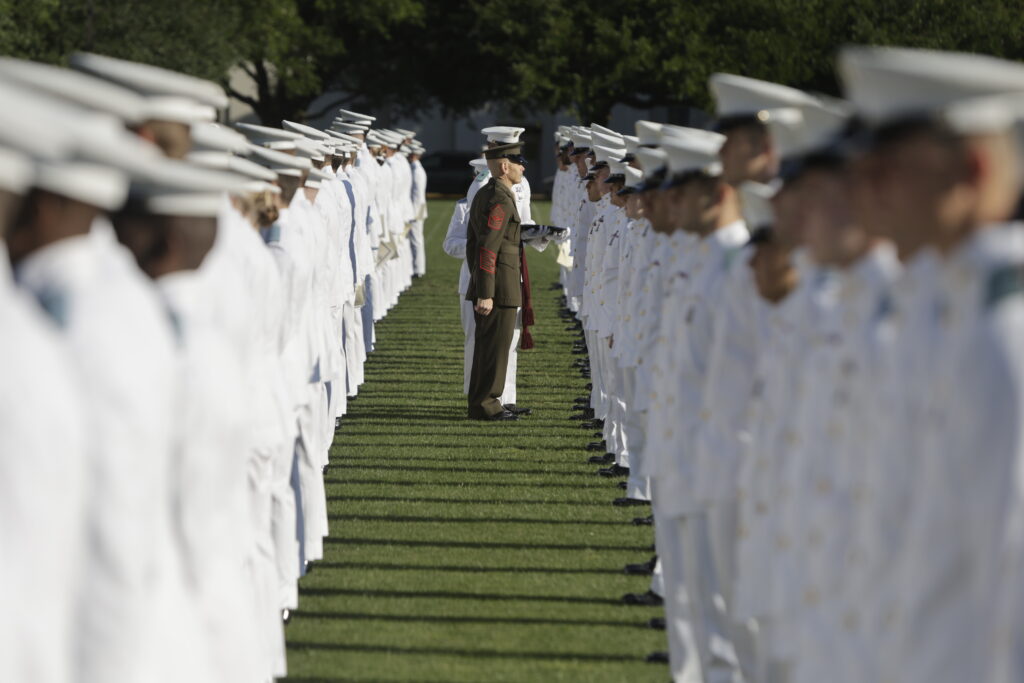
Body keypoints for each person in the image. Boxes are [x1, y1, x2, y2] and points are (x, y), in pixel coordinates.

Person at [465, 141, 527, 421]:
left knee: (491, 347)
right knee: (494, 349)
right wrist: (486, 292)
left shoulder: (494, 193)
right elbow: (488, 247)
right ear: (504, 167)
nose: (523, 167)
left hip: (497, 282)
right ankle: (487, 405)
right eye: (518, 162)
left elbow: (476, 245)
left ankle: (485, 403)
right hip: (499, 286)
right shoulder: (499, 197)